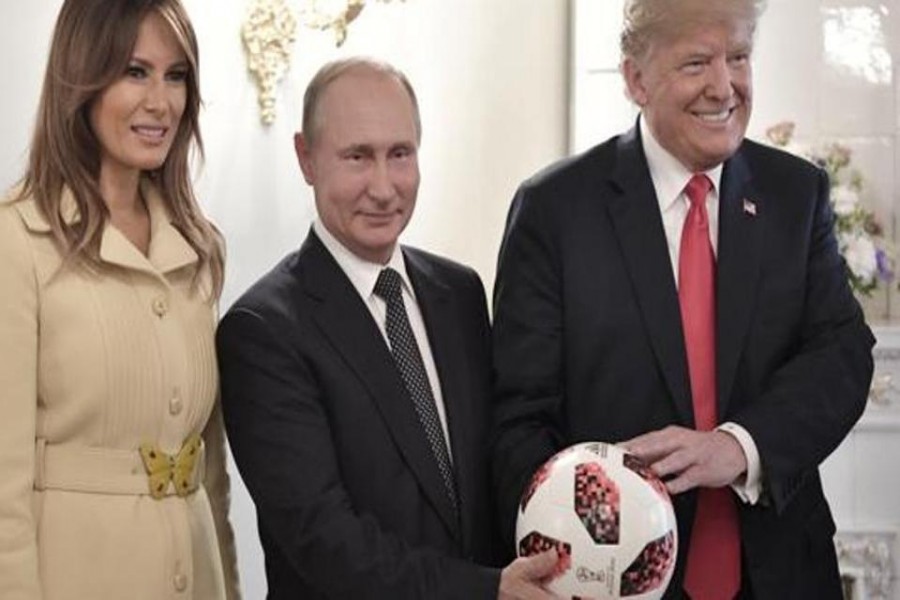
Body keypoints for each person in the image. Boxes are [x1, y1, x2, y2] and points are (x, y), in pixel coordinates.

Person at [491, 1, 875, 598]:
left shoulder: (796, 194)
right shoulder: (555, 210)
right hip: (611, 583)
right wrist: (576, 551)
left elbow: (842, 356)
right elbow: (520, 415)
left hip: (781, 574)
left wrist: (737, 447)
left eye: (739, 58)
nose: (724, 87)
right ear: (635, 79)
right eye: (697, 62)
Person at [217, 57, 560, 599]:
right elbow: (323, 541)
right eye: (358, 156)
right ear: (306, 158)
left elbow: (488, 478)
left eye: (399, 154)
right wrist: (485, 590)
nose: (383, 187)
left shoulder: (460, 293)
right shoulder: (262, 330)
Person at [0, 0, 240, 598]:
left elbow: (212, 474)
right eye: (135, 71)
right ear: (79, 78)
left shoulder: (199, 246)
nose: (161, 102)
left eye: (176, 76)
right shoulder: (15, 241)